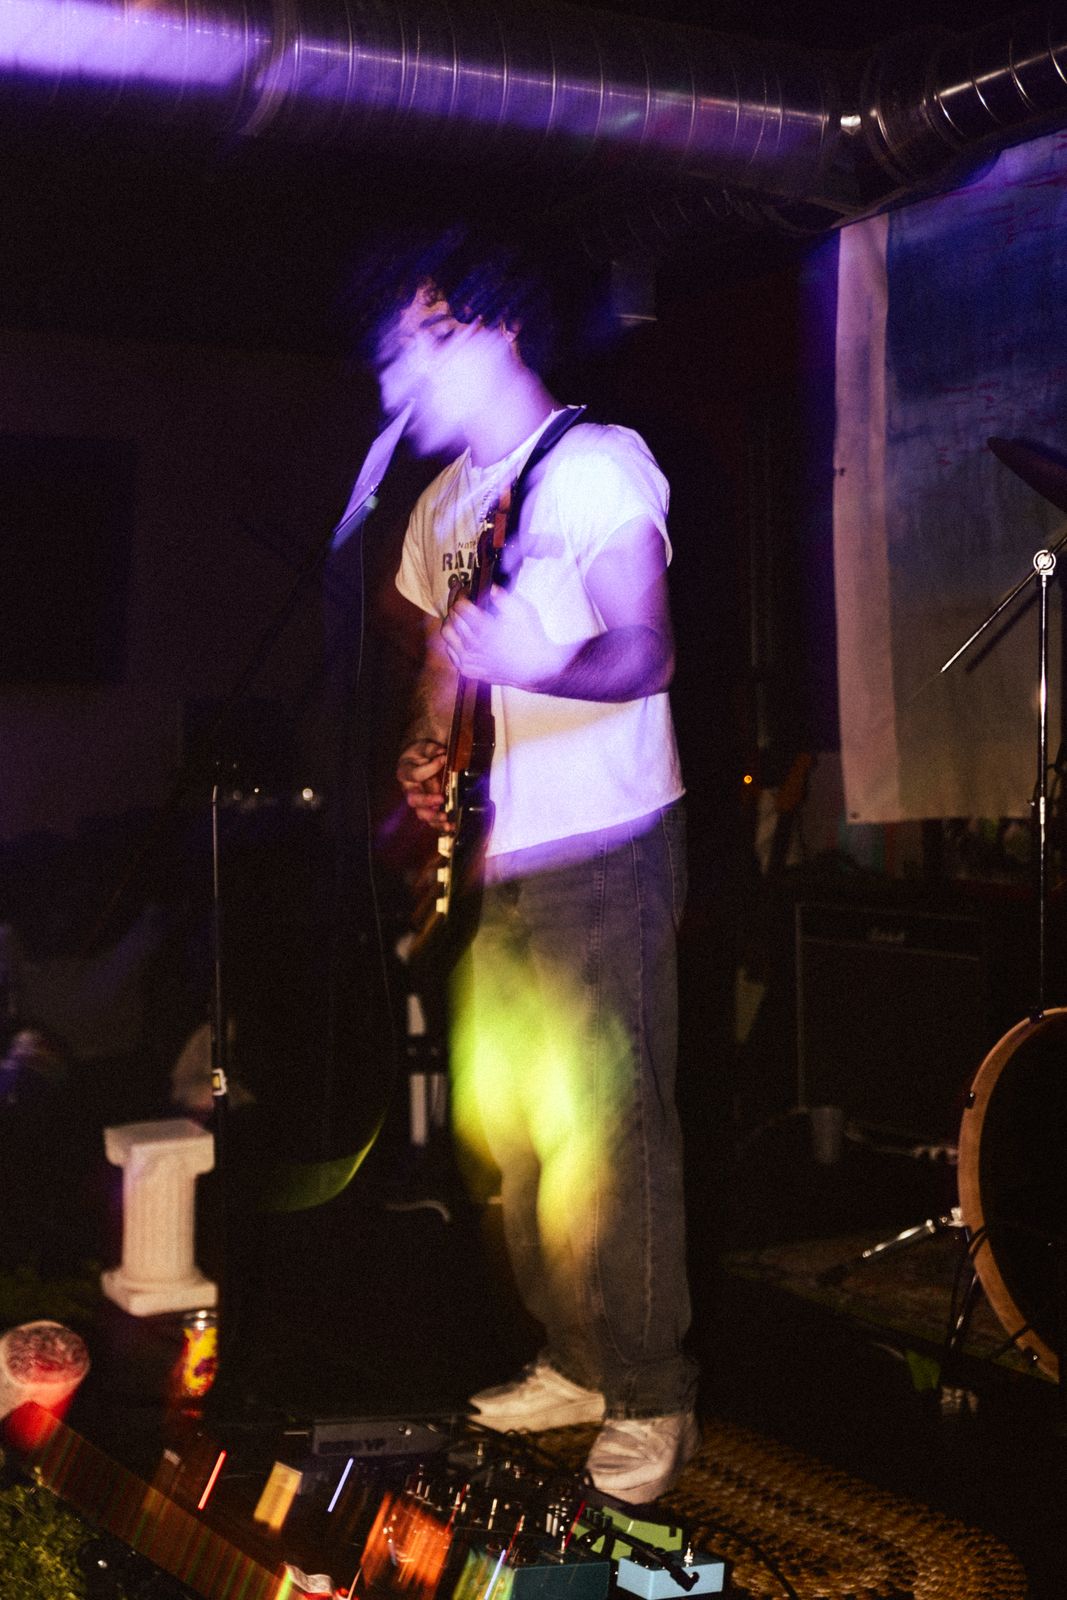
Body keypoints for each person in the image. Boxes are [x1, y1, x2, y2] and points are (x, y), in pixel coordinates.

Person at [374, 234, 698, 1504]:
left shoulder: (593, 463)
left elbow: (645, 649)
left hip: (607, 841)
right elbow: (443, 657)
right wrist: (425, 744)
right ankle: (575, 1360)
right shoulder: (441, 504)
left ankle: (652, 1395)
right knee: (512, 1127)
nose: (406, 360)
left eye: (428, 331)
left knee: (611, 1129)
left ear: (498, 324)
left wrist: (540, 667)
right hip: (492, 852)